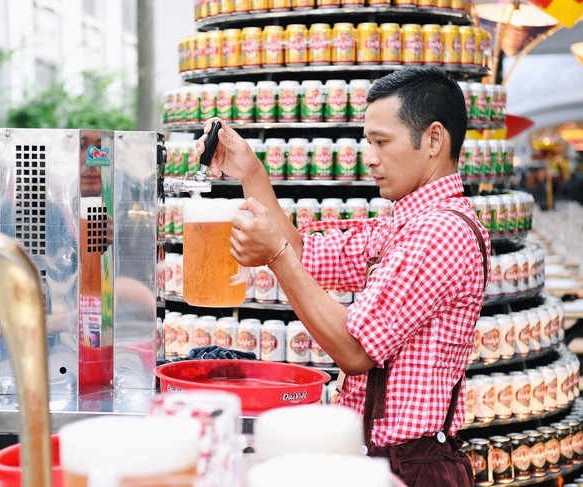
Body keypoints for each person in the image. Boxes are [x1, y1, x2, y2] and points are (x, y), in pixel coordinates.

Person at [196, 66, 489, 487]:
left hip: (411, 467)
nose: (369, 157)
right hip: (385, 459)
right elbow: (306, 253)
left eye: (382, 142)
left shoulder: (440, 232)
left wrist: (276, 256)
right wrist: (251, 173)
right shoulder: (406, 222)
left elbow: (354, 350)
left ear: (434, 140)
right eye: (369, 142)